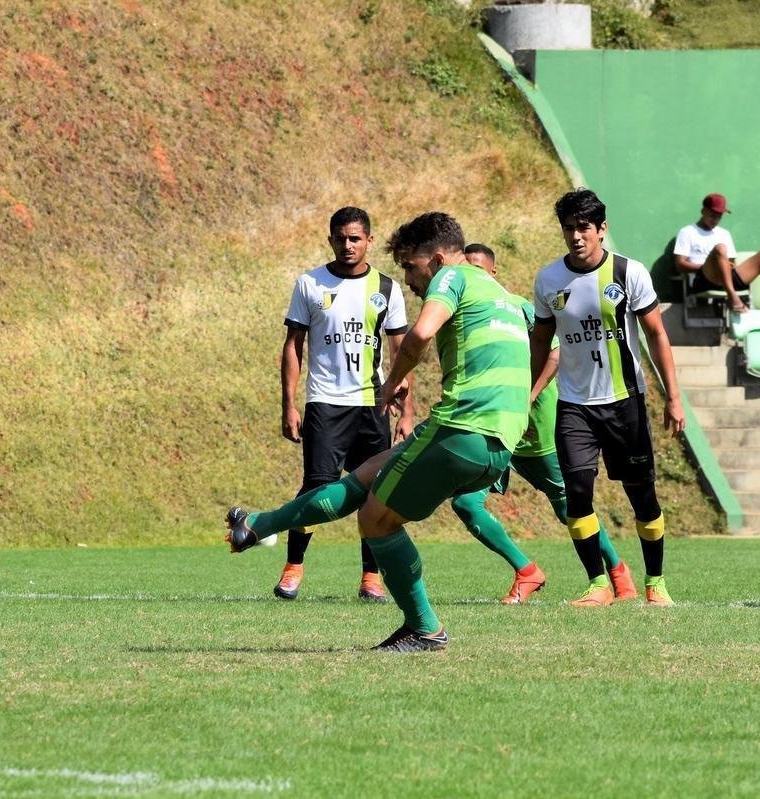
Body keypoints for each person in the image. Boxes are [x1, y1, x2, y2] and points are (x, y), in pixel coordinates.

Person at [227, 212, 532, 652]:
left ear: (439, 259)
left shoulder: (453, 277)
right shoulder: (503, 294)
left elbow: (418, 335)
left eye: (411, 266)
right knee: (367, 474)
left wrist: (390, 385)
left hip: (461, 430)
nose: (408, 278)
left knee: (375, 519)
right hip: (499, 444)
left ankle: (425, 628)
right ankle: (256, 526)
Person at [457, 244, 638, 604]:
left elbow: (555, 352)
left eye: (479, 268)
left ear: (493, 273)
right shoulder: (463, 314)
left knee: (571, 508)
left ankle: (619, 572)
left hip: (536, 428)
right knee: (465, 502)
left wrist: (526, 398)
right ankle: (526, 572)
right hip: (493, 426)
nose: (473, 275)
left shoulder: (520, 308)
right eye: (467, 268)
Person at [531, 189, 686, 607]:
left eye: (584, 228)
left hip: (625, 402)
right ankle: (598, 584)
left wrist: (674, 398)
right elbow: (541, 341)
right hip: (575, 406)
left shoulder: (628, 273)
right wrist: (527, 396)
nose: (576, 236)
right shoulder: (548, 280)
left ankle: (655, 582)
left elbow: (656, 333)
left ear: (602, 229)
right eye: (569, 228)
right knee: (577, 493)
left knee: (643, 496)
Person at [272, 206, 413, 602]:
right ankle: (293, 567)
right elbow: (293, 347)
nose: (348, 245)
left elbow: (403, 351)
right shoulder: (310, 284)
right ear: (330, 239)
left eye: (355, 238)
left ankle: (371, 578)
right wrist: (289, 404)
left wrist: (408, 410)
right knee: (316, 488)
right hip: (325, 402)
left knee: (377, 493)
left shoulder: (387, 288)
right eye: (341, 238)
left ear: (369, 240)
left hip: (372, 405)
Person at [673, 192, 760, 314]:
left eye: (719, 216)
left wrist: (725, 266)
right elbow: (680, 264)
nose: (715, 219)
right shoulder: (687, 232)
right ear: (703, 211)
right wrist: (708, 266)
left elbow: (731, 262)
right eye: (712, 215)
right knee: (720, 248)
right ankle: (732, 297)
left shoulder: (724, 233)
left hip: (728, 277)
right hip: (704, 277)